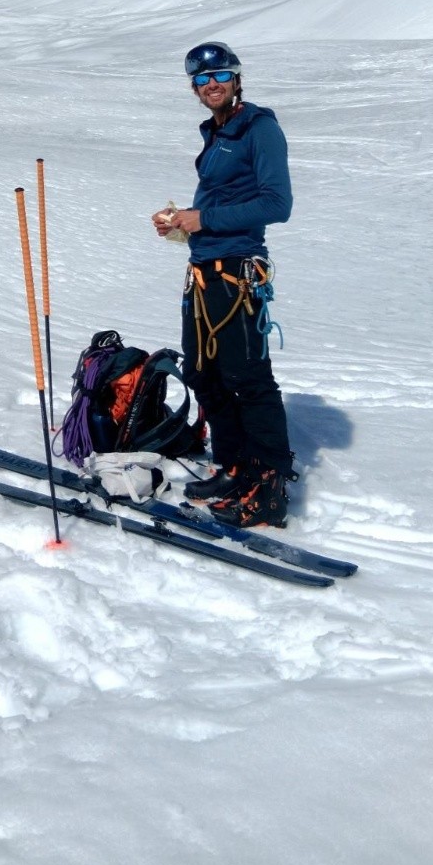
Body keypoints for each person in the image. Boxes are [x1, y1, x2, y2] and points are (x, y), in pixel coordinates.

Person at [153, 42, 295, 527]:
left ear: (236, 79)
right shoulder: (217, 131)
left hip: (237, 273)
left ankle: (269, 487)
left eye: (220, 76)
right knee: (203, 374)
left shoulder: (259, 129)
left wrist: (204, 219)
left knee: (248, 379)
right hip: (204, 271)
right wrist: (182, 224)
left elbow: (277, 204)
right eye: (201, 79)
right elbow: (222, 200)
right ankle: (236, 466)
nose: (211, 84)